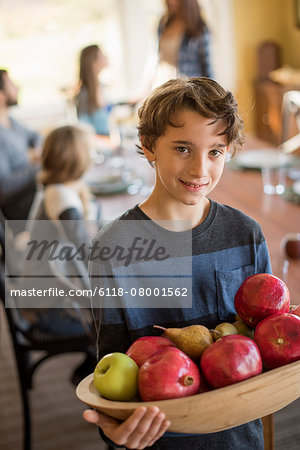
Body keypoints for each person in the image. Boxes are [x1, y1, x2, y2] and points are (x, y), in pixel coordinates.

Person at [84, 77, 271, 449]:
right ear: (148, 146)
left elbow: (264, 352)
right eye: (183, 149)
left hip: (239, 437)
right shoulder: (113, 248)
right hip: (160, 440)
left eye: (215, 151)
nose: (200, 169)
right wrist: (114, 432)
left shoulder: (245, 234)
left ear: (229, 150)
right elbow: (112, 373)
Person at [22, 124, 100, 336]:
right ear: (80, 160)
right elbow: (88, 253)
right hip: (50, 309)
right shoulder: (62, 199)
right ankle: (88, 366)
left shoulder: (59, 188)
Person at [0, 69, 41, 221]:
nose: (17, 88)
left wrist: (38, 148)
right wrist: (38, 167)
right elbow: (4, 188)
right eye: (11, 84)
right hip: (18, 206)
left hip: (31, 189)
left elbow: (35, 136)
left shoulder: (11, 121)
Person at [158, 0, 213, 78]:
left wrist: (212, 89)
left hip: (187, 87)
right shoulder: (163, 23)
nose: (171, 2)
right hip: (164, 82)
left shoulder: (199, 29)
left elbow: (207, 68)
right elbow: (158, 58)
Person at [75, 44, 110, 136]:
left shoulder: (100, 86)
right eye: (102, 55)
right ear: (93, 63)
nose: (106, 57)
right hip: (100, 144)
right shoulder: (83, 94)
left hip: (107, 138)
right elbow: (85, 132)